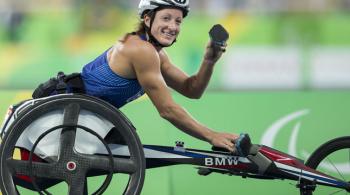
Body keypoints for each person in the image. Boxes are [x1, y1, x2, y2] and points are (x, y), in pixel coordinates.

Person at [81, 0, 239, 152]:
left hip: (89, 116)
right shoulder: (141, 50)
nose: (173, 27)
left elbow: (191, 89)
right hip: (72, 114)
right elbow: (167, 110)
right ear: (148, 20)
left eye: (178, 21)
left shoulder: (156, 53)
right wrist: (212, 136)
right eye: (166, 18)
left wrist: (209, 61)